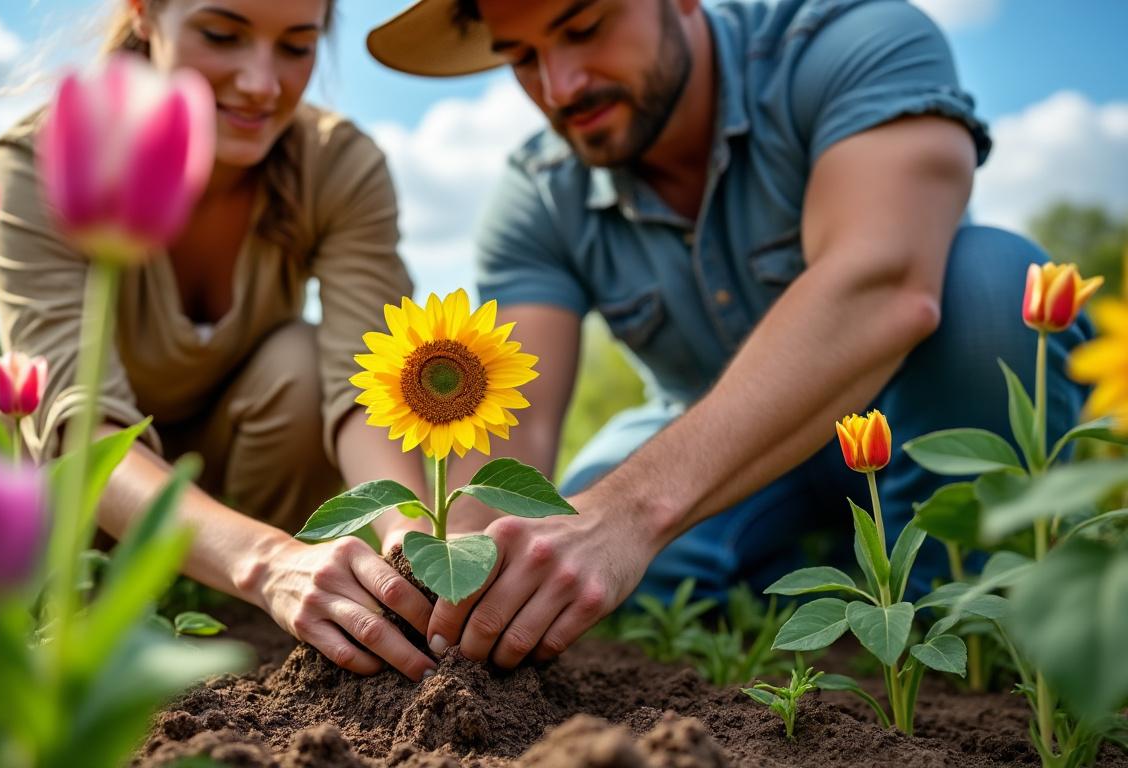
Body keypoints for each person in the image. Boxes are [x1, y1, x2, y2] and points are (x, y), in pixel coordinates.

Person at [366, 0, 1092, 670]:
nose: (560, 86)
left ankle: (961, 613)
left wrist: (628, 515)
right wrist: (451, 578)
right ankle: (832, 579)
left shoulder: (851, 41)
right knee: (556, 564)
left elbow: (886, 285)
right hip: (712, 461)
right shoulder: (539, 194)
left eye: (584, 27)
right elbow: (510, 426)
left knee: (995, 284)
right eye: (522, 57)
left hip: (913, 418)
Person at [0, 0, 437, 682]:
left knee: (301, 364)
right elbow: (79, 426)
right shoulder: (41, 159)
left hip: (234, 482)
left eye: (296, 46)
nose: (262, 84)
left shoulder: (337, 165)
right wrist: (265, 561)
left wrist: (409, 536)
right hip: (63, 489)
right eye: (221, 35)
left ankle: (229, 621)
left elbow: (372, 383)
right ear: (145, 15)